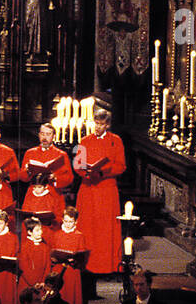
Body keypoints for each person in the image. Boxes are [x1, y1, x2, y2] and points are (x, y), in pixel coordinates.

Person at [73, 109, 126, 275]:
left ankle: (107, 265)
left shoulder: (115, 141)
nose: (97, 127)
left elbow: (121, 165)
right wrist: (86, 172)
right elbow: (77, 164)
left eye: (101, 124)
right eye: (96, 123)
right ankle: (87, 265)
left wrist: (103, 172)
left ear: (107, 125)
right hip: (88, 188)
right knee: (88, 226)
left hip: (106, 189)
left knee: (105, 228)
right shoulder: (84, 140)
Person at [19, 122, 73, 190]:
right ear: (39, 135)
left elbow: (69, 178)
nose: (44, 137)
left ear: (54, 136)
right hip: (34, 193)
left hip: (53, 193)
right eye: (42, 134)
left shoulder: (62, 155)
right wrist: (27, 171)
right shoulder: (30, 153)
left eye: (48, 134)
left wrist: (55, 178)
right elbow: (22, 177)